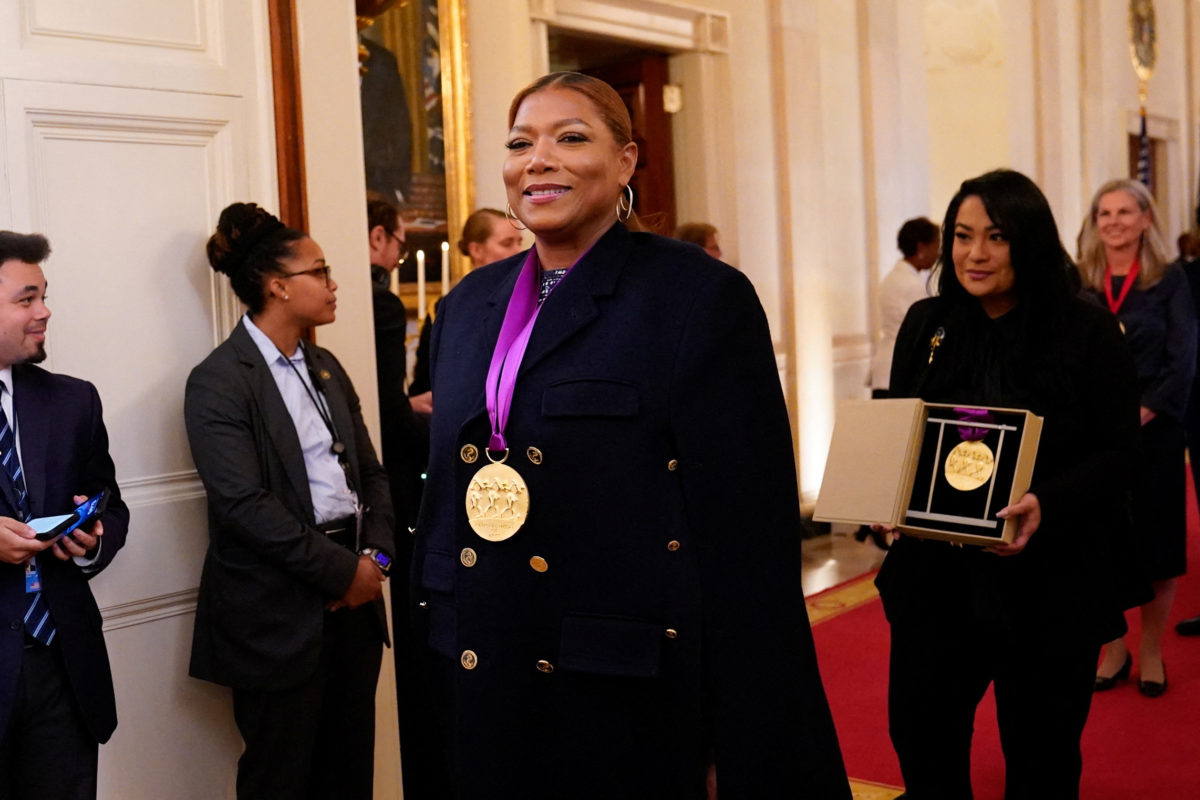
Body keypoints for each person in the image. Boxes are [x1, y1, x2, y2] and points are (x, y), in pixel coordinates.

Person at [411, 71, 849, 799]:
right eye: (520, 143)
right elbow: (445, 505)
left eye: (570, 138)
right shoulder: (466, 306)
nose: (538, 160)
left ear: (625, 162)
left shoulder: (696, 297)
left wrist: (737, 728)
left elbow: (746, 536)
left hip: (625, 687)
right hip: (486, 665)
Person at [877, 169, 1144, 798]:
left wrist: (1047, 502)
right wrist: (887, 495)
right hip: (938, 582)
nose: (975, 254)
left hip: (1049, 583)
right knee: (923, 740)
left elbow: (1120, 452)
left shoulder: (1085, 329)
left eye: (996, 237)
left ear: (1029, 240)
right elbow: (902, 429)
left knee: (1042, 757)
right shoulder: (928, 323)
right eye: (962, 235)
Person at [185, 203, 394, 799]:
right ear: (278, 285)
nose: (333, 284)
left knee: (349, 773)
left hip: (356, 596)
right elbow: (243, 505)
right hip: (276, 612)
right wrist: (342, 574)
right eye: (319, 271)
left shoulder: (325, 365)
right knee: (280, 778)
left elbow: (371, 475)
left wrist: (375, 561)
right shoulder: (220, 379)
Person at [0, 231, 130, 798]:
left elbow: (109, 501)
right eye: (26, 299)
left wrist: (93, 539)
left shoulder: (74, 400)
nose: (44, 312)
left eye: (44, 296)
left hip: (62, 669)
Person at [1077, 178, 1196, 696]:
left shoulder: (1169, 279)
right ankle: (1114, 647)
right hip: (1094, 438)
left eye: (1125, 212)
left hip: (1155, 432)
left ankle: (1150, 649)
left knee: (1157, 547)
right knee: (1098, 544)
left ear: (1146, 219)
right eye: (1104, 213)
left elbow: (1183, 358)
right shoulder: (1080, 281)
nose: (1114, 222)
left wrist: (1141, 412)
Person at [365, 193, 452, 798]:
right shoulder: (381, 303)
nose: (397, 254)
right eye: (398, 243)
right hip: (394, 483)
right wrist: (435, 425)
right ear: (379, 238)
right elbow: (388, 416)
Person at [408, 208, 524, 399]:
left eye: (519, 242)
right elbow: (426, 382)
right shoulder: (447, 308)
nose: (519, 251)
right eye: (507, 243)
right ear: (476, 250)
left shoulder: (527, 299)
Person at [869, 217, 939, 399]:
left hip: (885, 368)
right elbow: (924, 333)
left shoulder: (894, 277)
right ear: (922, 247)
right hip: (898, 368)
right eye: (936, 245)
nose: (938, 252)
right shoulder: (911, 285)